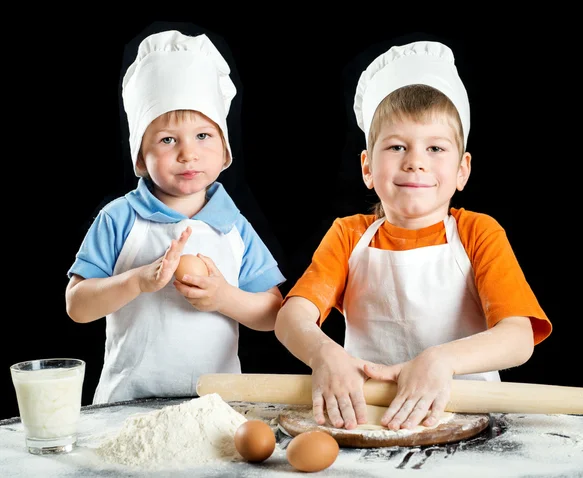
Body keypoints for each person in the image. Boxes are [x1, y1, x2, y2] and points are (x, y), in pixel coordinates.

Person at [274, 40, 552, 431]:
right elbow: (291, 318)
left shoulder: (478, 233)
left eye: (435, 147)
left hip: (468, 419)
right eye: (397, 146)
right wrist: (324, 354)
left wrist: (441, 360)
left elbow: (518, 338)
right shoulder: (348, 235)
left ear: (462, 170)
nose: (415, 162)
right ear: (368, 168)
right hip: (368, 420)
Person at [65, 29, 285, 404]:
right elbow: (77, 306)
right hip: (126, 404)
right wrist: (136, 281)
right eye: (168, 140)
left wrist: (224, 297)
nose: (189, 154)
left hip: (216, 405)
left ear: (224, 149)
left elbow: (272, 313)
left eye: (203, 136)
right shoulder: (119, 218)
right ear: (140, 156)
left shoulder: (233, 225)